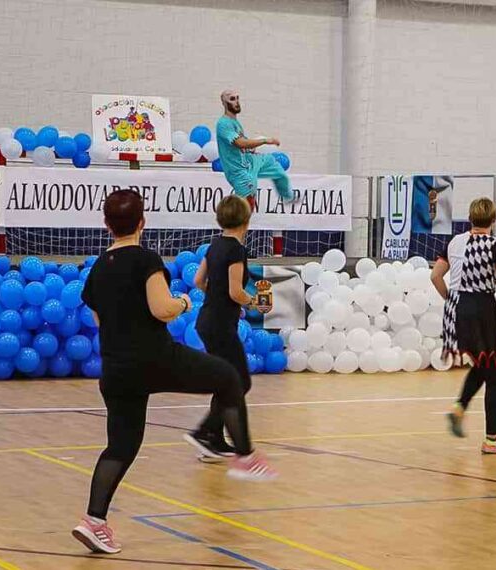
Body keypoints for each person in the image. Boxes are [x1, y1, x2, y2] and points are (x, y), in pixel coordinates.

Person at [72, 190, 276, 555]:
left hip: (116, 369)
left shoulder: (99, 268)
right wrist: (182, 301)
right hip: (156, 359)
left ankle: (94, 521)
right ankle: (244, 455)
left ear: (106, 225)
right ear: (142, 222)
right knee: (228, 377)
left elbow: (99, 318)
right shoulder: (146, 259)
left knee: (120, 447)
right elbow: (161, 309)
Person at [431, 198, 496, 454]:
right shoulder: (495, 246)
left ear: (469, 218)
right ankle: (492, 440)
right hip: (482, 310)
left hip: (457, 308)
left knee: (483, 364)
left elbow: (435, 276)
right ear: (494, 220)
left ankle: (459, 408)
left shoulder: (455, 242)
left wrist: (451, 299)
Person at [184, 195, 258, 460]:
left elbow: (197, 279)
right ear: (246, 221)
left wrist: (215, 296)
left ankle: (213, 437)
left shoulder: (215, 245)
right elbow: (236, 291)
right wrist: (253, 303)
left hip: (208, 321)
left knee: (227, 381)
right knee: (241, 381)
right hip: (220, 326)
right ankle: (205, 431)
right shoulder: (236, 250)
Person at [216, 90, 292, 209]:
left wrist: (252, 150)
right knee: (247, 204)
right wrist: (265, 140)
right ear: (224, 103)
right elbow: (240, 143)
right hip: (238, 171)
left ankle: (287, 196)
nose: (236, 102)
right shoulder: (223, 124)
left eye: (237, 98)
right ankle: (237, 224)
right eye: (232, 99)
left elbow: (244, 145)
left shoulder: (235, 122)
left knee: (271, 162)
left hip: (248, 162)